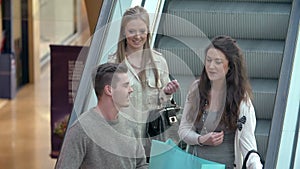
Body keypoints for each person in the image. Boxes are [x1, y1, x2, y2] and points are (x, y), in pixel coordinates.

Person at [178, 35, 263, 169]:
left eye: (218, 62)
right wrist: (201, 139)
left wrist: (256, 166)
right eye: (208, 60)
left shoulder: (241, 99)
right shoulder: (196, 89)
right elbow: (184, 130)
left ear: (230, 65)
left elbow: (248, 144)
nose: (211, 66)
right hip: (195, 164)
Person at [108, 6, 180, 156]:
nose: (137, 36)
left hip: (153, 139)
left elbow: (163, 104)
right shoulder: (113, 63)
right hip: (123, 141)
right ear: (123, 32)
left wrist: (166, 92)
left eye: (142, 31)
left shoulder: (159, 61)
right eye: (131, 31)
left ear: (148, 30)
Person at [55, 63, 148, 169]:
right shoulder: (81, 131)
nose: (131, 90)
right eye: (125, 85)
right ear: (109, 90)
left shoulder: (131, 125)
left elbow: (141, 165)